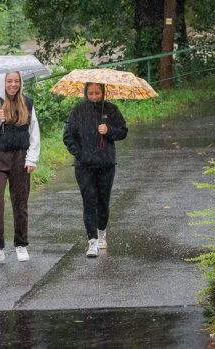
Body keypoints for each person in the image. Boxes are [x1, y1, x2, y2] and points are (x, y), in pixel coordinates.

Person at [0, 71, 41, 266]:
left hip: (21, 159)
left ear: (20, 83)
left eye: (16, 81)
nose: (13, 85)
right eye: (9, 81)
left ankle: (21, 244)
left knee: (20, 203)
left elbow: (34, 133)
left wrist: (31, 159)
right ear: (2, 83)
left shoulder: (28, 103)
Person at [63, 82, 127, 257]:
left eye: (97, 93)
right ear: (85, 93)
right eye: (90, 93)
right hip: (84, 166)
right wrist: (80, 154)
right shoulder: (78, 111)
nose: (93, 97)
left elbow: (123, 132)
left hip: (106, 164)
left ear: (103, 92)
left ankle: (101, 234)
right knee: (88, 201)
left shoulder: (112, 110)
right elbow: (68, 136)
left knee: (103, 201)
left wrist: (109, 130)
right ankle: (91, 242)